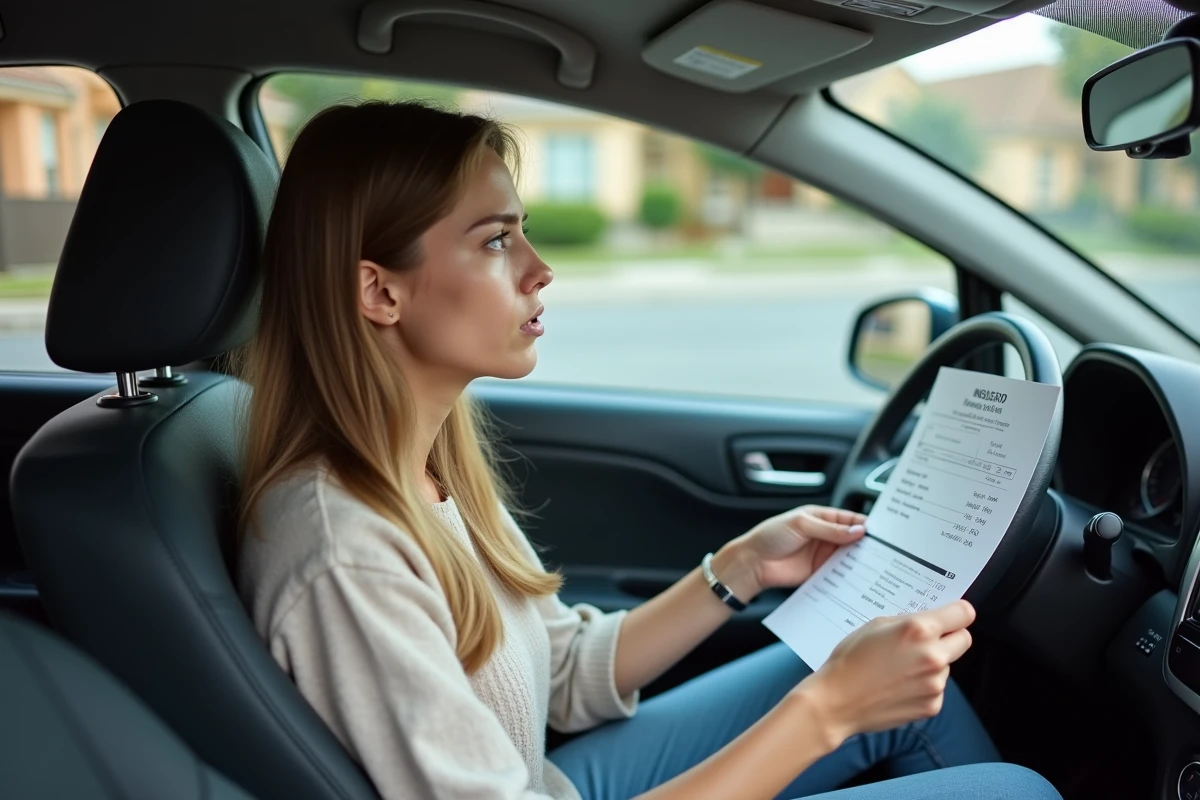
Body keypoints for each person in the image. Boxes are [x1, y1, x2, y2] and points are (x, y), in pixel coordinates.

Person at [236, 100, 1061, 800]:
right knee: (1015, 789)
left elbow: (562, 676)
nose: (540, 270)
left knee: (904, 681)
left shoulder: (427, 471)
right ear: (380, 291)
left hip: (546, 778)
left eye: (524, 234)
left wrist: (740, 568)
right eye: (494, 241)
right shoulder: (347, 553)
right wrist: (831, 710)